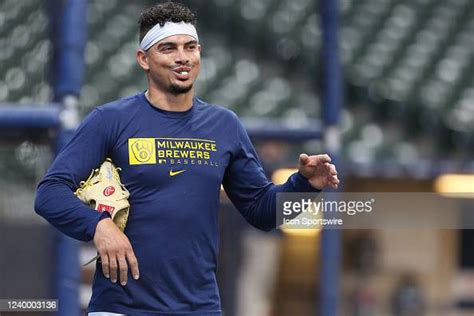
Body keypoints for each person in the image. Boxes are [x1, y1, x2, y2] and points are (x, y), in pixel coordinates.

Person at [34, 2, 339, 316]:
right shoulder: (110, 120)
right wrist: (99, 227)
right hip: (123, 307)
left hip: (199, 307)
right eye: (168, 48)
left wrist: (304, 185)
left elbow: (261, 210)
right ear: (144, 59)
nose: (182, 57)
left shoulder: (225, 125)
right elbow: (50, 193)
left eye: (190, 47)